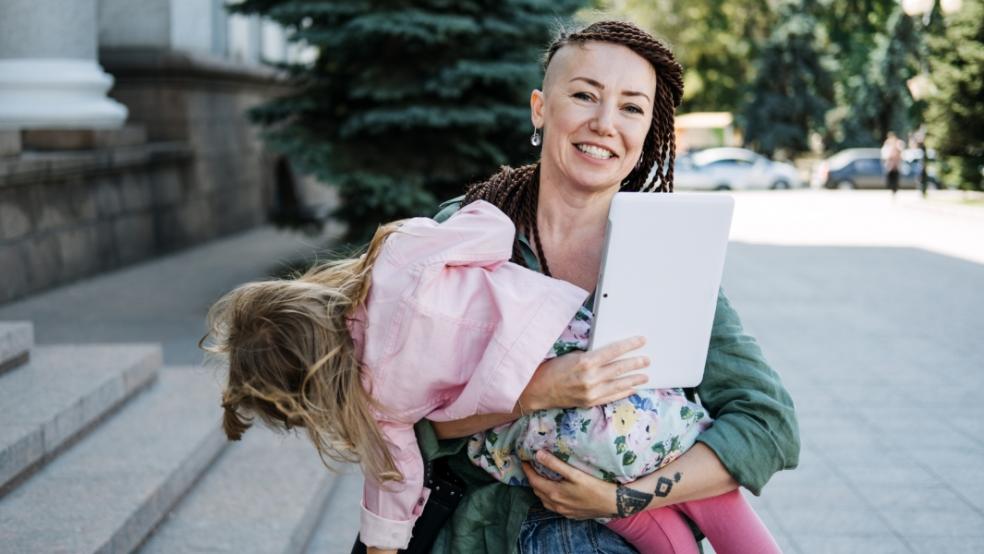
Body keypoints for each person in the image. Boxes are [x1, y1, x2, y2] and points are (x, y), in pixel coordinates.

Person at [413, 20, 799, 553]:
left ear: (649, 131)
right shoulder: (464, 233)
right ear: (540, 108)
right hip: (484, 533)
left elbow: (768, 423)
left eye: (631, 107)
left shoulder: (667, 252)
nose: (604, 123)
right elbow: (393, 412)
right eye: (584, 95)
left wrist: (623, 500)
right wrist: (537, 391)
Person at [881, 131, 904, 196]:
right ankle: (892, 190)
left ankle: (895, 190)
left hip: (896, 165)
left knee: (896, 179)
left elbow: (901, 153)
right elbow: (884, 154)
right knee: (890, 179)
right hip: (890, 165)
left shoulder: (898, 143)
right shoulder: (887, 144)